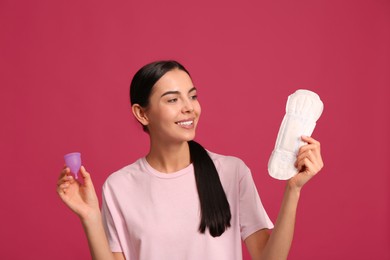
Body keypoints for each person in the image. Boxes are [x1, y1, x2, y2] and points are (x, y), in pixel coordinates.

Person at [57, 60, 324, 260]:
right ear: (141, 113)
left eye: (192, 96)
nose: (189, 107)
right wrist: (91, 217)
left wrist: (294, 189)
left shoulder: (231, 172)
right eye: (173, 99)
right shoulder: (119, 186)